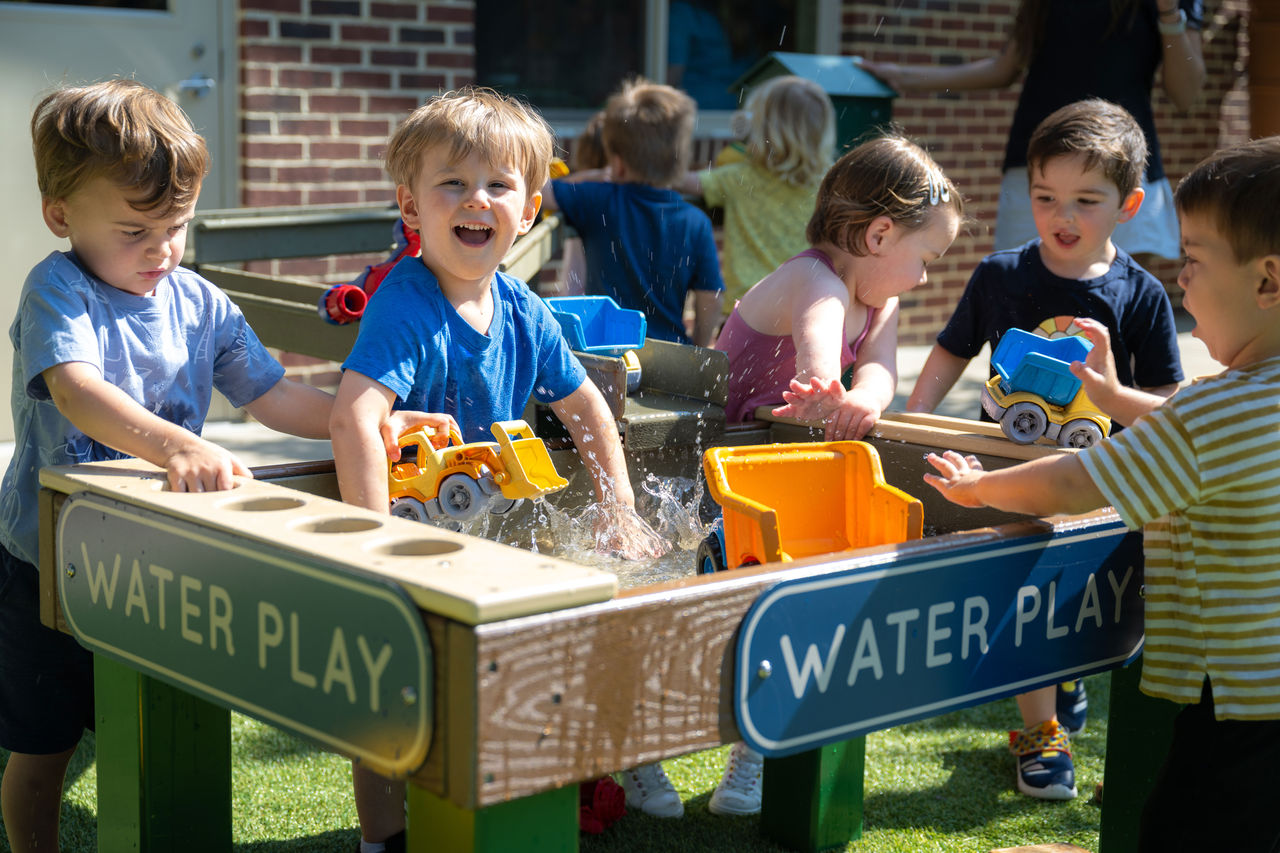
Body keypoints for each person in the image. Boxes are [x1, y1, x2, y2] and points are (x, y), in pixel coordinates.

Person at [0, 78, 406, 853]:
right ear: (62, 215)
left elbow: (275, 392)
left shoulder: (200, 301)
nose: (160, 249)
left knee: (159, 726)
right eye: (133, 231)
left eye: (176, 227)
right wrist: (178, 443)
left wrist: (367, 417)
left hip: (157, 561)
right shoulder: (59, 289)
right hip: (46, 563)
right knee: (42, 746)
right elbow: (78, 391)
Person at [328, 87, 670, 851]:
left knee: (508, 671)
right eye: (451, 183)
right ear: (410, 207)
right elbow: (351, 414)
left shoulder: (521, 306)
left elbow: (587, 410)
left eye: (497, 185)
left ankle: (562, 777)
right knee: (393, 695)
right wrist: (372, 536)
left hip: (492, 531)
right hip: (415, 525)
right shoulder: (406, 304)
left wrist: (619, 509)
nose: (475, 199)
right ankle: (382, 838)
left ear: (532, 208)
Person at [924, 136, 1280, 851]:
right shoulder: (1237, 408)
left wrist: (978, 486)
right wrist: (1116, 396)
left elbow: (1073, 480)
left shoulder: (1215, 413)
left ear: (1268, 278)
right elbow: (1188, 429)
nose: (1181, 282)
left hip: (1238, 707)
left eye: (1195, 261)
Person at [907, 98, 1183, 801]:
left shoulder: (1142, 295)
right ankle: (1040, 731)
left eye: (1086, 200)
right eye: (1045, 196)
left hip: (1097, 475)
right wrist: (913, 419)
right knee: (1026, 595)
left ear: (1129, 205)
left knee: (1073, 598)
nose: (1063, 216)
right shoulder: (1001, 275)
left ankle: (1066, 672)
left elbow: (1164, 398)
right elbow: (949, 351)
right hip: (1010, 464)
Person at [861, 0, 1206, 261]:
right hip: (1037, 164)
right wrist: (901, 77)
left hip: (1122, 167)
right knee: (1021, 299)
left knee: (1120, 306)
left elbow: (1187, 94)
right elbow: (1004, 67)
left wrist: (1169, 14)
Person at [716, 133, 963, 443]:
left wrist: (867, 397)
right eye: (925, 261)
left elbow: (879, 364)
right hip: (720, 436)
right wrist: (823, 384)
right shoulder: (816, 281)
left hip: (768, 436)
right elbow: (818, 358)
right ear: (879, 236)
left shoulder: (883, 303)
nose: (923, 278)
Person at [542, 78, 724, 347]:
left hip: (607, 348)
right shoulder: (694, 221)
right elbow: (711, 296)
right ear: (679, 158)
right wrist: (698, 346)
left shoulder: (598, 200)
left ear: (616, 161)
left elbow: (539, 190)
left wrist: (591, 176)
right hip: (670, 350)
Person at [679, 75, 836, 310]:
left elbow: (675, 180)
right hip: (806, 306)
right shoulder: (832, 183)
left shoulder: (741, 177)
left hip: (746, 311)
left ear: (761, 129)